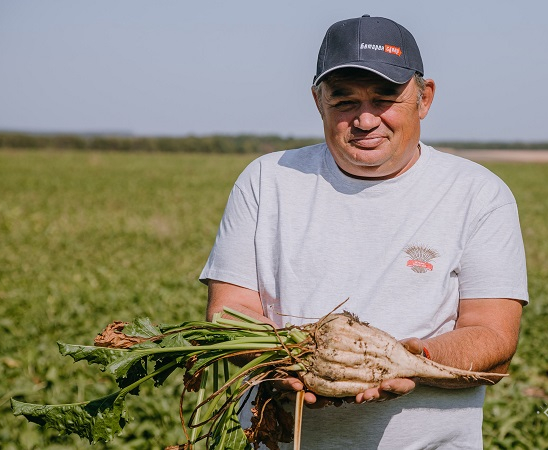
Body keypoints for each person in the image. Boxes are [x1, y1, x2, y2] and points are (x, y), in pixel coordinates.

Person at [199, 14, 528, 449]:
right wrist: (290, 364)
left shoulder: (478, 193)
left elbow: (494, 338)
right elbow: (229, 311)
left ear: (424, 97)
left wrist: (408, 360)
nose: (366, 119)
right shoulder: (268, 180)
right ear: (318, 100)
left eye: (385, 97)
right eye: (344, 101)